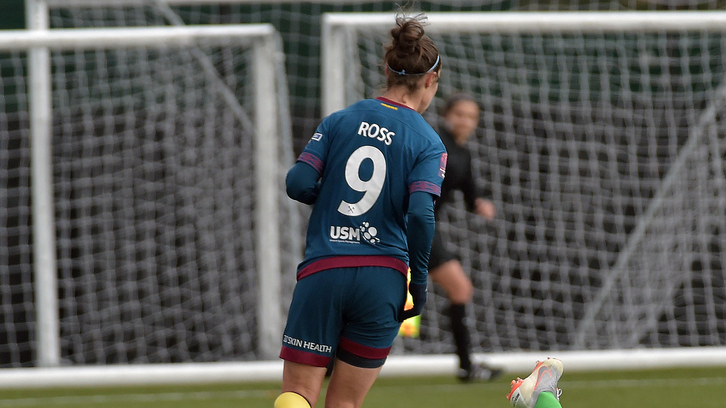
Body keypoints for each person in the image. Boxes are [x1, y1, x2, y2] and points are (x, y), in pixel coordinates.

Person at [274, 13, 446, 408]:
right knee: (345, 403)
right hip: (381, 278)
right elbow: (421, 213)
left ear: (386, 70)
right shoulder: (428, 142)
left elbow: (297, 183)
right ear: (432, 79)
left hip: (325, 269)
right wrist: (417, 284)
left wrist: (332, 198)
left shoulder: (339, 121)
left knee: (297, 395)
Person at [428, 92, 503, 382]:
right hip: (411, 226)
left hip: (424, 229)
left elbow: (472, 194)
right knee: (459, 288)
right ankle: (467, 366)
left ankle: (467, 366)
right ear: (447, 114)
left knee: (459, 289)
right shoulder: (435, 144)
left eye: (471, 117)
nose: (465, 121)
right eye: (460, 114)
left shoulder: (463, 153)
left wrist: (481, 203)